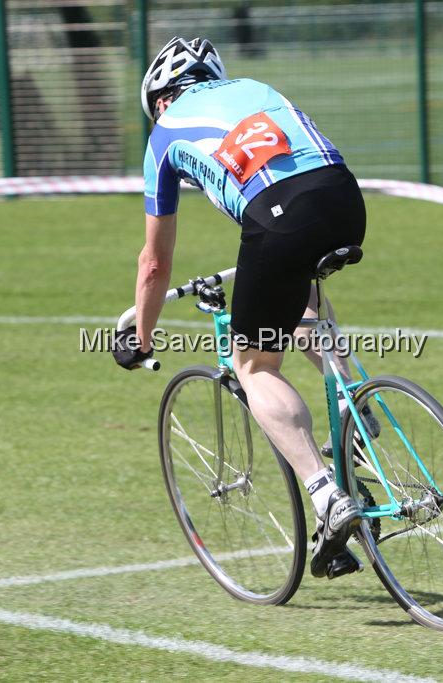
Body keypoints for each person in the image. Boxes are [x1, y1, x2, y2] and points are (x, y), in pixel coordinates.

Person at [112, 37, 373, 579]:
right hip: (345, 197)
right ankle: (355, 410)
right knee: (295, 297)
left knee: (253, 365)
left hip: (278, 216)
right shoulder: (256, 89)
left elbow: (155, 264)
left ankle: (326, 496)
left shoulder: (164, 135)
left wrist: (141, 337)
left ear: (161, 99)